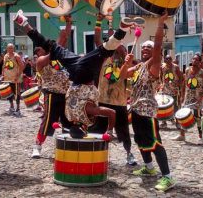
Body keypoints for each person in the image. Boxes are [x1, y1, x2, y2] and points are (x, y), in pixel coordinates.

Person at [13, 9, 135, 138]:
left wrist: (109, 131)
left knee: (105, 50)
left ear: (83, 127)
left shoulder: (87, 112)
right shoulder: (70, 115)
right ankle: (23, 22)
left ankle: (122, 29)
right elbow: (63, 121)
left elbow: (111, 113)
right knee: (48, 44)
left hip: (84, 74)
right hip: (74, 69)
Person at [127, 12, 175, 192]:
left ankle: (168, 177)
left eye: (149, 48)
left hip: (147, 111)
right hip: (136, 109)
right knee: (140, 141)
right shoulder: (139, 67)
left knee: (155, 143)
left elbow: (158, 46)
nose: (146, 49)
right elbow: (123, 75)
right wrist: (126, 62)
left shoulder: (154, 66)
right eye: (144, 48)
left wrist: (160, 24)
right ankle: (148, 167)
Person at [92, 15, 142, 165]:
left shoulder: (126, 64)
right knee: (97, 130)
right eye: (116, 46)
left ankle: (128, 154)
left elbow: (127, 73)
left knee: (124, 132)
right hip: (102, 100)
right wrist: (100, 22)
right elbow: (99, 40)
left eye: (121, 48)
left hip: (119, 102)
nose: (118, 48)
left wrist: (131, 63)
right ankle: (95, 153)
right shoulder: (104, 59)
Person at [25, 16, 74, 158]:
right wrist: (60, 39)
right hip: (52, 94)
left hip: (66, 93)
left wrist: (68, 21)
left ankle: (67, 146)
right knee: (47, 121)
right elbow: (59, 45)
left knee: (68, 121)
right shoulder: (41, 61)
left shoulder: (57, 56)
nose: (39, 51)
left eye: (40, 49)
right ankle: (37, 146)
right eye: (37, 50)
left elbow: (65, 37)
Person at [174, 53, 203, 143]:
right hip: (188, 96)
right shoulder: (187, 70)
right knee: (183, 115)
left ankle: (200, 137)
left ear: (199, 62)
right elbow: (184, 83)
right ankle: (182, 135)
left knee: (198, 117)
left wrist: (201, 95)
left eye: (196, 59)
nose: (194, 61)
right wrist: (182, 96)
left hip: (197, 97)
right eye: (193, 59)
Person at [158, 54, 183, 128]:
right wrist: (161, 85)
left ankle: (178, 122)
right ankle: (164, 122)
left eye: (169, 59)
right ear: (164, 60)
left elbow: (181, 77)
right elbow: (161, 76)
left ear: (171, 60)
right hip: (165, 90)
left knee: (176, 106)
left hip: (174, 90)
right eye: (166, 59)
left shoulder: (175, 67)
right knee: (164, 106)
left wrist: (179, 86)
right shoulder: (162, 67)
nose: (168, 60)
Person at [2, 43, 25, 116]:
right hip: (8, 78)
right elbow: (4, 65)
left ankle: (18, 109)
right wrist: (3, 74)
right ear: (7, 49)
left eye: (11, 48)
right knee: (9, 93)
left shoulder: (16, 56)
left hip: (16, 79)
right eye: (9, 48)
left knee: (17, 93)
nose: (10, 49)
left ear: (13, 48)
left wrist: (18, 75)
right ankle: (11, 107)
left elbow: (22, 66)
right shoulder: (6, 56)